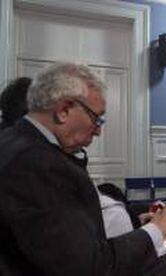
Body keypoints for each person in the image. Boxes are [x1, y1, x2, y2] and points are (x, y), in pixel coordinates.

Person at [0, 62, 166, 276]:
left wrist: (136, 223)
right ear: (64, 110)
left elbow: (66, 236)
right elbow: (90, 267)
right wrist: (157, 229)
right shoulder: (36, 163)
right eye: (96, 118)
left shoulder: (18, 143)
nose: (98, 130)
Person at [0, 76, 136, 239]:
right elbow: (81, 254)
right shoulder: (36, 163)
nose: (98, 131)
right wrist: (152, 233)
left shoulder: (47, 151)